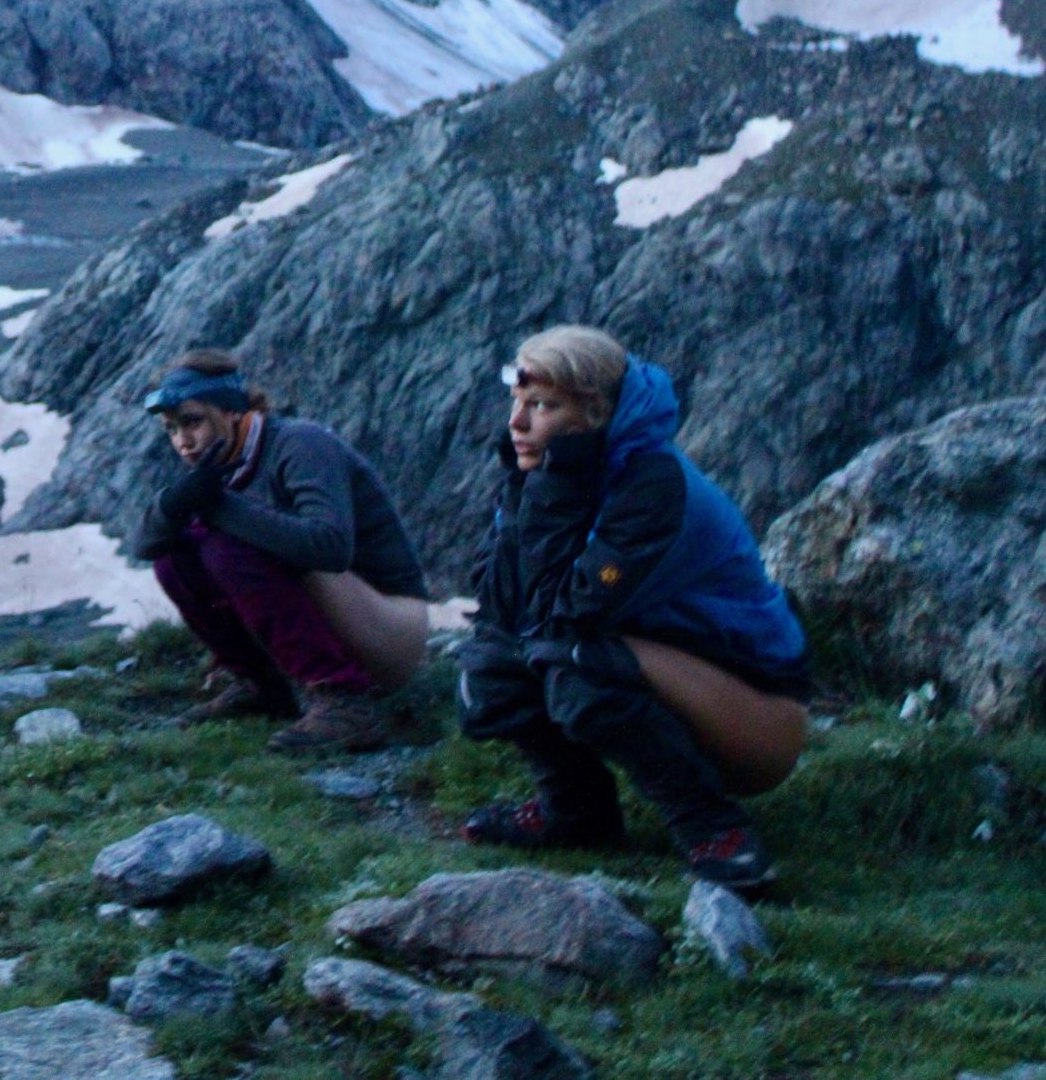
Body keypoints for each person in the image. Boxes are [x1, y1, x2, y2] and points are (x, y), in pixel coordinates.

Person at [457, 326, 810, 888]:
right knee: (491, 668)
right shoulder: (550, 468)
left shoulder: (650, 481)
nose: (516, 423)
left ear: (593, 413)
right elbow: (503, 605)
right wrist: (537, 486)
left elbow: (573, 607)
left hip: (756, 705)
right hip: (654, 656)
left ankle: (714, 828)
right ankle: (576, 813)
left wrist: (554, 487)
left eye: (542, 406)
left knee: (576, 663)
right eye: (517, 402)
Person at [131, 349, 433, 753]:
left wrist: (219, 507)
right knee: (176, 558)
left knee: (225, 547)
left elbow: (331, 547)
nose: (182, 442)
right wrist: (173, 505)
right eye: (171, 429)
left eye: (192, 422)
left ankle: (343, 701)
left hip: (392, 627)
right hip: (346, 615)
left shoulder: (300, 444)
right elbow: (146, 546)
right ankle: (263, 686)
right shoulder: (221, 461)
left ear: (231, 411)